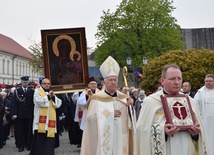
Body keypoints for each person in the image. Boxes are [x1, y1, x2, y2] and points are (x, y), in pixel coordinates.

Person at [135, 64, 209, 155]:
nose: (177, 82)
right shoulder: (150, 102)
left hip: (187, 148)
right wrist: (162, 131)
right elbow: (141, 131)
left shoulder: (190, 101)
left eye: (179, 78)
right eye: (172, 79)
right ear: (162, 81)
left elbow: (200, 133)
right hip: (166, 148)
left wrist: (196, 134)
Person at [81, 56, 135, 155]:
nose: (113, 82)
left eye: (115, 80)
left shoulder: (123, 98)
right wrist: (110, 113)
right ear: (104, 82)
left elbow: (130, 121)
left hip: (121, 136)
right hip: (105, 137)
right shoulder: (96, 98)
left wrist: (130, 107)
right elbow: (90, 119)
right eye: (110, 80)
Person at [30, 78, 62, 155]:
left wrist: (53, 97)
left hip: (50, 121)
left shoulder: (52, 92)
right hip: (40, 122)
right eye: (45, 83)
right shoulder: (37, 91)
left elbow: (58, 104)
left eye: (48, 83)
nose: (47, 85)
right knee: (40, 142)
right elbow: (38, 102)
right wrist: (48, 97)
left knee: (49, 143)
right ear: (41, 84)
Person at [13, 76, 34, 152]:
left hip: (29, 114)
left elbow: (33, 104)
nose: (25, 83)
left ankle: (27, 144)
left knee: (28, 130)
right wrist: (14, 113)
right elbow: (14, 103)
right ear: (21, 82)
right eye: (24, 82)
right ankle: (20, 146)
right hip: (20, 114)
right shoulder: (17, 91)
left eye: (26, 82)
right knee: (20, 131)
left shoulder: (31, 91)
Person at [194, 74, 214, 155]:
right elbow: (195, 106)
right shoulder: (200, 93)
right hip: (204, 122)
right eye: (206, 81)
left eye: (210, 81)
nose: (208, 83)